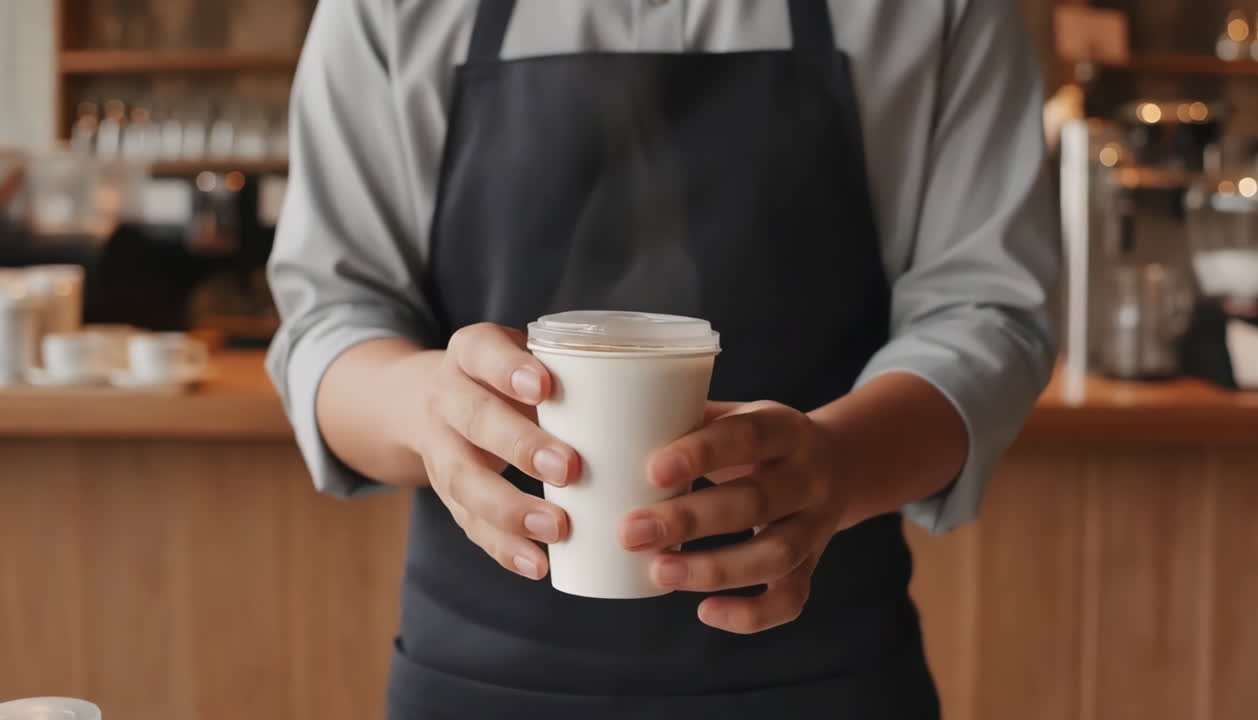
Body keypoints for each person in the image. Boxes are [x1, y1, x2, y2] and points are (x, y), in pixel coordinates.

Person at [266, 1, 1059, 718]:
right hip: (479, 679)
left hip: (824, 676)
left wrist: (843, 462)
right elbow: (331, 321)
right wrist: (426, 407)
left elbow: (987, 316)